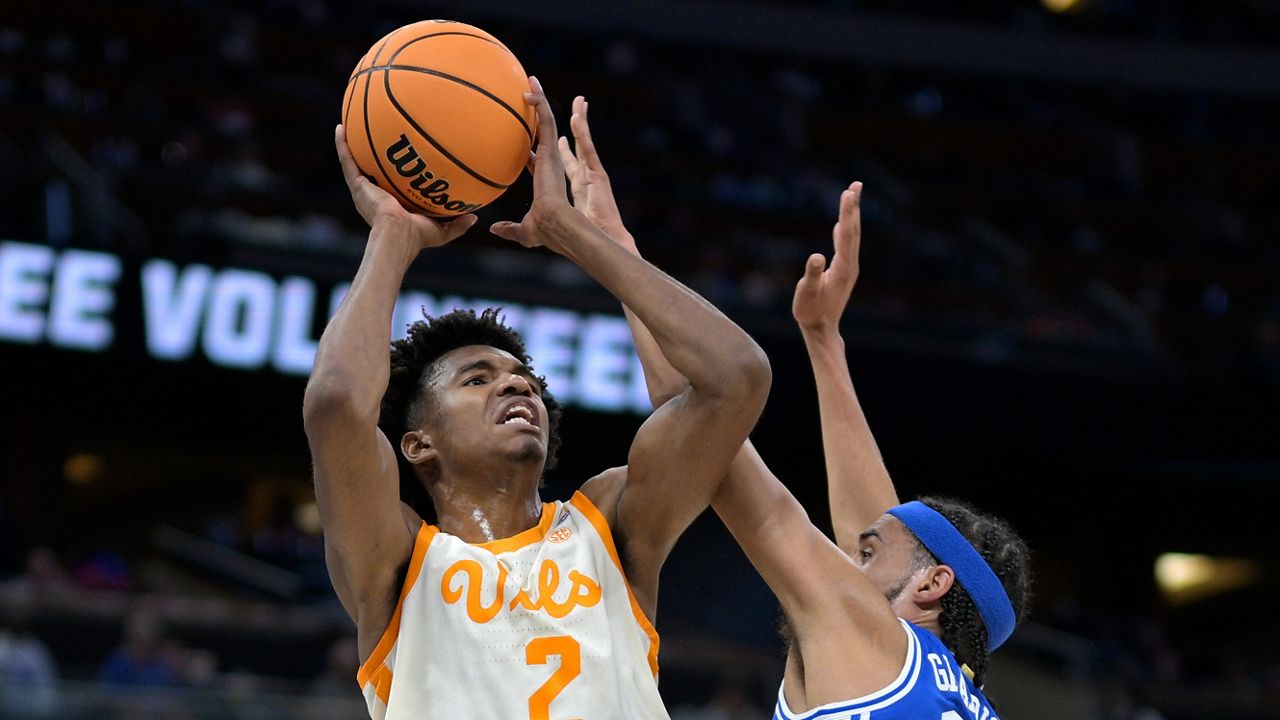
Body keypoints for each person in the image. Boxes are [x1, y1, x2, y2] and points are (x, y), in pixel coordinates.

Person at [304, 77, 770, 719]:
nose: (517, 382)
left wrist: (574, 232)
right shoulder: (397, 560)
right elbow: (335, 403)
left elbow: (735, 376)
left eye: (523, 376)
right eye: (477, 379)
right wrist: (392, 233)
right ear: (419, 444)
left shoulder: (609, 526)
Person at [559, 95, 1032, 718]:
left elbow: (697, 416)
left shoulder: (871, 642)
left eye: (864, 555)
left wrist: (606, 243)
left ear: (934, 584)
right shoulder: (961, 695)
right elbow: (881, 524)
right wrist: (823, 343)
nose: (841, 558)